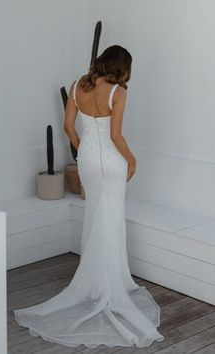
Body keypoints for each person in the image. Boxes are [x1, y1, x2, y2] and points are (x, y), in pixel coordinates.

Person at [14, 45, 165, 348]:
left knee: (96, 215)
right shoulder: (118, 92)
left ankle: (97, 283)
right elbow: (116, 136)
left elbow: (67, 127)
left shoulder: (76, 86)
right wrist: (132, 160)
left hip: (87, 160)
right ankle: (111, 284)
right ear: (121, 67)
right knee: (110, 216)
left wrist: (83, 148)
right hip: (112, 161)